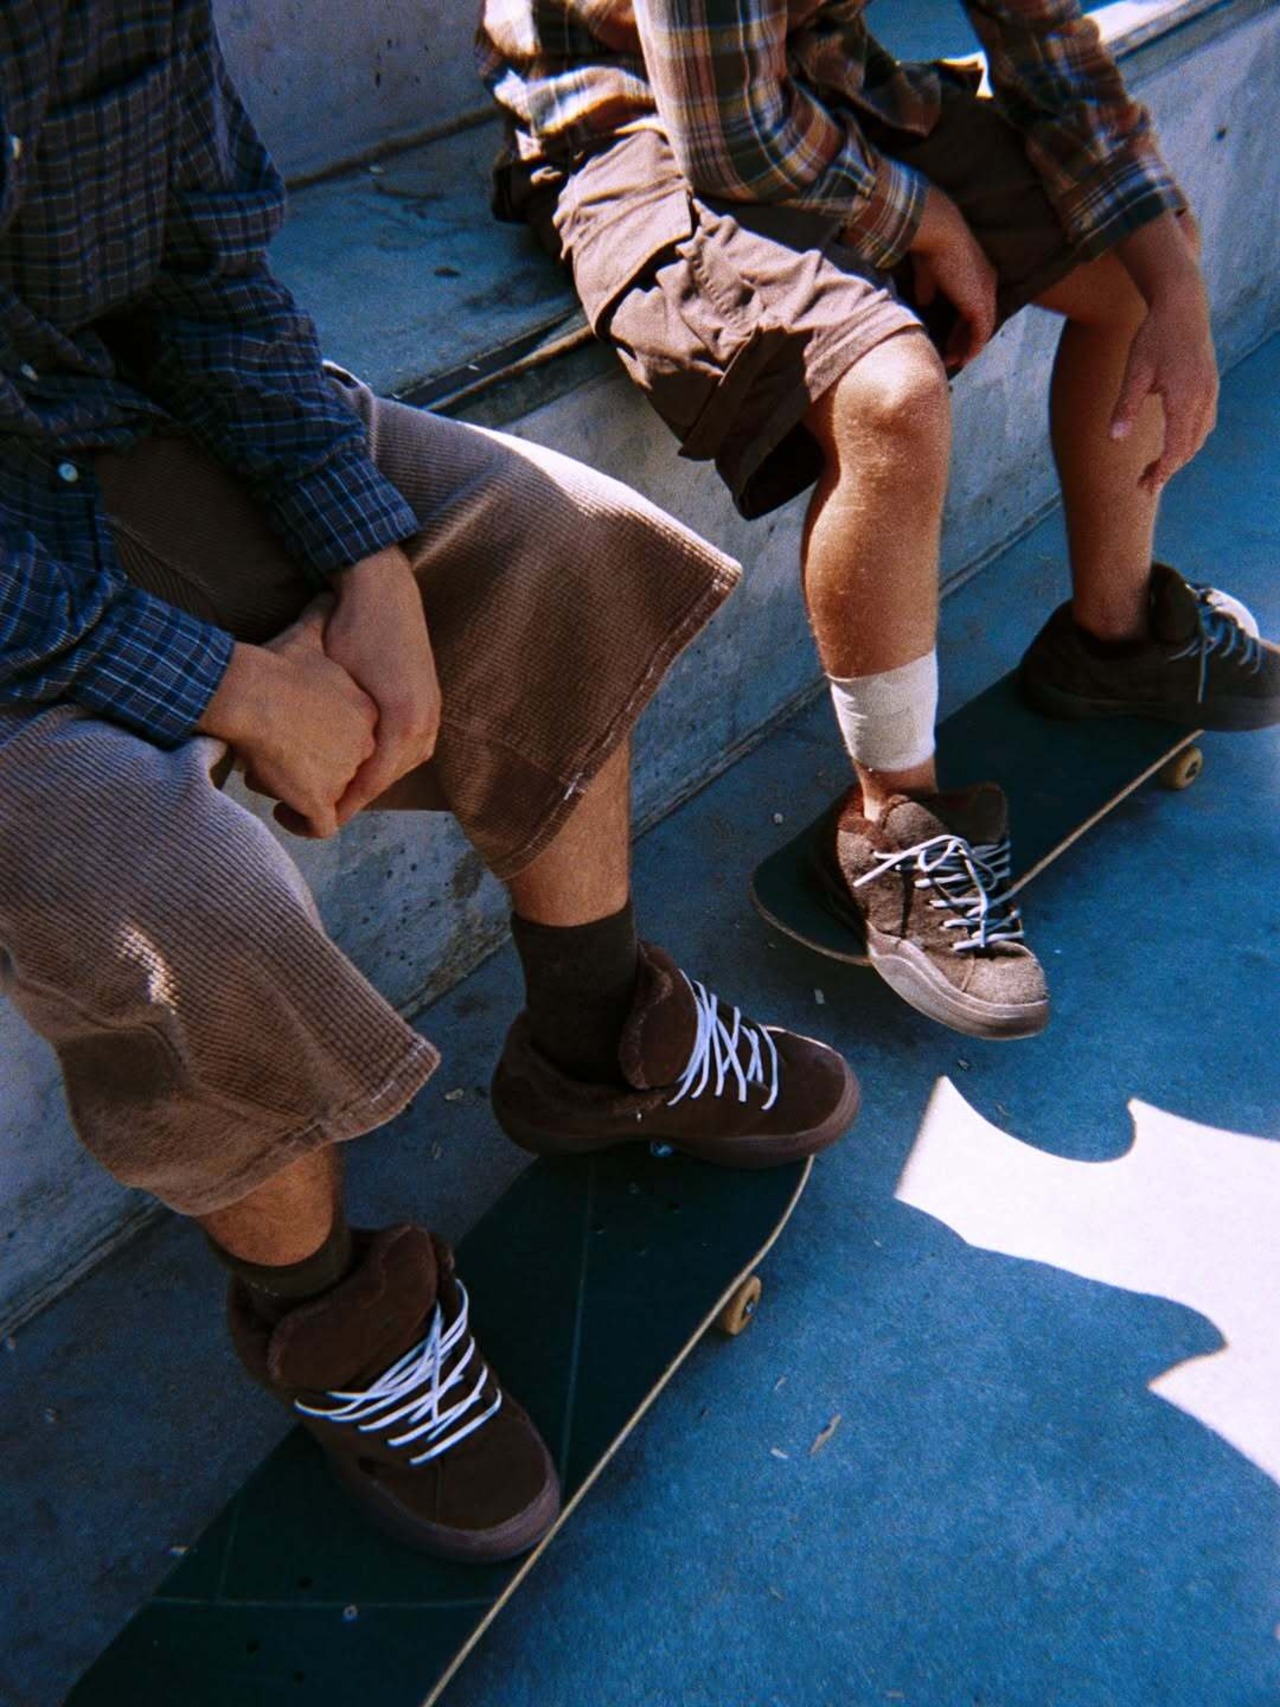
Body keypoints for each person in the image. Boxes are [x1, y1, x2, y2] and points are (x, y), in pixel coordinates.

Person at [0, 0, 860, 1564]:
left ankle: (592, 1041)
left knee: (556, 546)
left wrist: (367, 556)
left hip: (85, 426)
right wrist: (233, 685)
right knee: (174, 886)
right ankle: (328, 1316)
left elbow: (202, 268)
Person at [479, 0, 1280, 1041]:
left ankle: (1113, 641)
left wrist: (1175, 283)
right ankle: (891, 825)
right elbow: (727, 132)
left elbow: (1048, 44)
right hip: (642, 129)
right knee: (892, 396)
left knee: (1132, 259)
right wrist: (924, 218)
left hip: (824, 83)